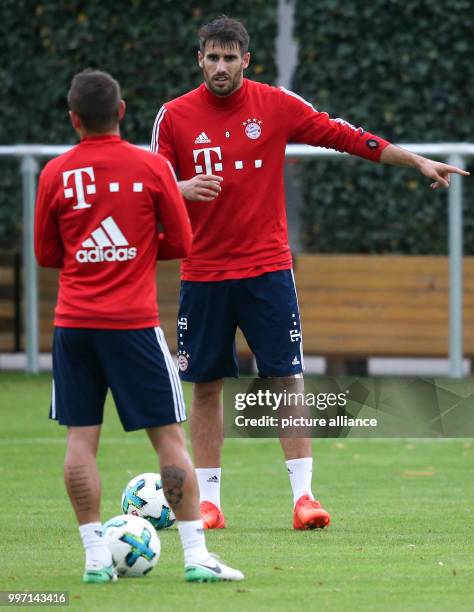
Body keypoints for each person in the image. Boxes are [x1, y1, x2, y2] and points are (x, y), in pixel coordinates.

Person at [150, 16, 469, 531]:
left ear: (246, 60)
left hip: (268, 271)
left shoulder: (275, 104)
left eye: (231, 57)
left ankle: (304, 498)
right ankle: (208, 503)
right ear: (200, 60)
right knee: (206, 387)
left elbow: (344, 136)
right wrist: (182, 189)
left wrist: (415, 162)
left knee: (286, 379)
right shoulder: (174, 117)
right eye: (212, 57)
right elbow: (154, 182)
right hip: (204, 273)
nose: (221, 66)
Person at [34, 69, 244, 583]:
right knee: (169, 438)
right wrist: (138, 249)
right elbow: (183, 243)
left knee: (81, 441)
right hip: (132, 325)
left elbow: (46, 254)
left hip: (74, 327)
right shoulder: (150, 169)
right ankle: (196, 559)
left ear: (73, 118)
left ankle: (93, 561)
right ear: (122, 112)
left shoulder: (55, 174)